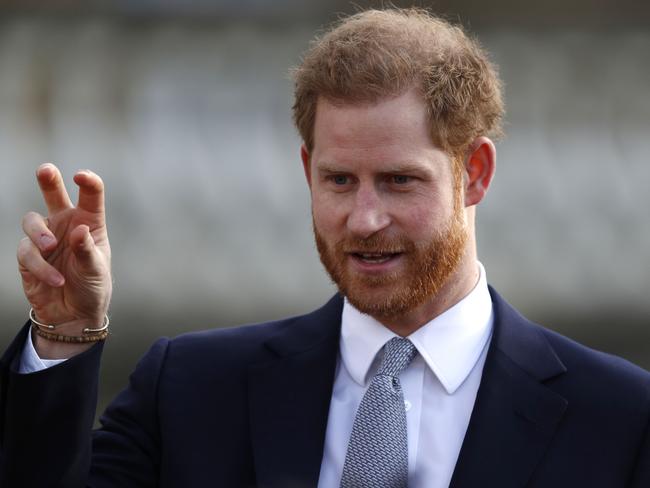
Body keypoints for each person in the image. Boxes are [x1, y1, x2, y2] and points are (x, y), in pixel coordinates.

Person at [1, 7, 649, 488]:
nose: (364, 219)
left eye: (399, 181)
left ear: (474, 173)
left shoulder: (621, 418)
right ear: (307, 167)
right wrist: (64, 335)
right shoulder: (192, 392)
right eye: (340, 180)